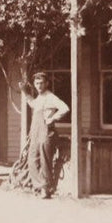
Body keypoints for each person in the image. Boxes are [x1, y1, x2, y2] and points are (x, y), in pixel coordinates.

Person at [24, 70, 70, 198]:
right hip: (35, 131)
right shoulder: (39, 97)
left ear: (47, 84)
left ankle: (46, 189)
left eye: (41, 83)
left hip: (46, 131)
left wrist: (52, 118)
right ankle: (38, 186)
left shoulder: (50, 97)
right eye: (37, 83)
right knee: (32, 158)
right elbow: (33, 105)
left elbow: (65, 108)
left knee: (45, 159)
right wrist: (25, 93)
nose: (39, 86)